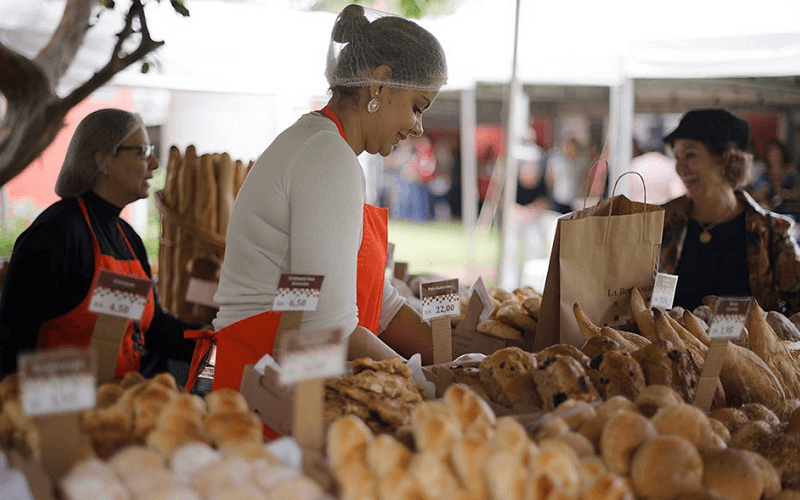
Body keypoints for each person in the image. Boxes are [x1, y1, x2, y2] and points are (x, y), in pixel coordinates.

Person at [191, 4, 447, 416]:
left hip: (272, 379)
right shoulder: (327, 155)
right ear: (380, 84)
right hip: (260, 391)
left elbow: (372, 301)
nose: (418, 127)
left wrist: (459, 353)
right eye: (417, 106)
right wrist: (425, 387)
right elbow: (334, 330)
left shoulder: (326, 145)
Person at [0, 108, 198, 382]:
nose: (154, 163)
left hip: (115, 407)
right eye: (142, 151)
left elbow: (149, 330)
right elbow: (13, 339)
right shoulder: (57, 233)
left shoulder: (126, 237)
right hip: (58, 412)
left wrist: (210, 338)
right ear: (103, 160)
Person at [659, 108, 800, 314]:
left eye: (690, 154)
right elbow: (651, 299)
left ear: (725, 159)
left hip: (743, 346)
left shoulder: (772, 232)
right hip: (673, 344)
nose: (680, 168)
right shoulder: (664, 222)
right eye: (677, 157)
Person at [750, 139, 800, 223]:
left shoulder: (791, 173)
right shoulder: (764, 175)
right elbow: (755, 195)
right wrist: (762, 194)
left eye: (777, 154)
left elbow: (797, 192)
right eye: (772, 154)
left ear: (782, 154)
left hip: (792, 213)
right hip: (772, 215)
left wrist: (788, 194)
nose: (774, 158)